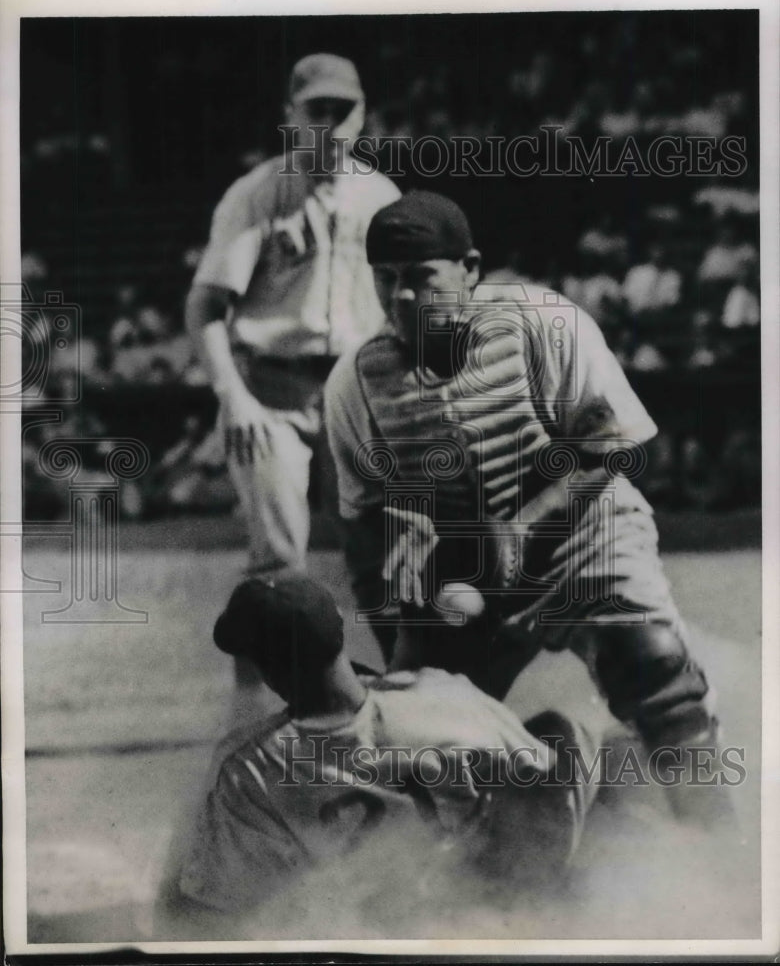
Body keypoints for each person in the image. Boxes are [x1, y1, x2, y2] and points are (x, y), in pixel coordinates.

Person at [324, 190, 732, 827]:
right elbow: (366, 533)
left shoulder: (546, 324)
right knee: (422, 734)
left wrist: (522, 522)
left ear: (471, 269)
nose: (403, 297)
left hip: (581, 529)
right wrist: (409, 656)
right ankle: (484, 864)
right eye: (388, 280)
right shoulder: (354, 385)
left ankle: (716, 838)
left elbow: (616, 454)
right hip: (464, 571)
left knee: (649, 661)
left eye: (422, 277)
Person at [155, 573, 597, 935]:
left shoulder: (249, 765)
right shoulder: (441, 694)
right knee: (561, 734)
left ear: (268, 669)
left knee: (187, 879)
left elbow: (211, 909)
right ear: (341, 635)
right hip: (476, 908)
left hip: (361, 926)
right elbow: (548, 779)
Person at [184, 54, 400, 581]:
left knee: (383, 557)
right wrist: (232, 397)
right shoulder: (257, 194)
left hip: (355, 392)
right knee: (279, 566)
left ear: (363, 114)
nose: (329, 123)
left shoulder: (382, 195)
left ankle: (400, 668)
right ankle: (264, 664)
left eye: (342, 109)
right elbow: (205, 307)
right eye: (316, 109)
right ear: (291, 115)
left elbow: (401, 302)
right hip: (272, 393)